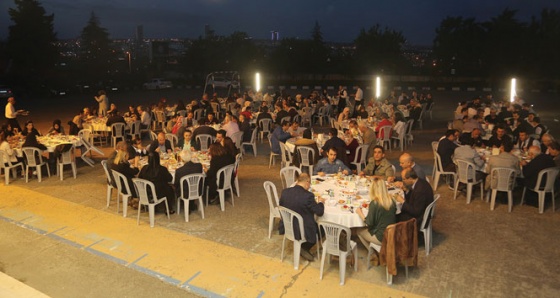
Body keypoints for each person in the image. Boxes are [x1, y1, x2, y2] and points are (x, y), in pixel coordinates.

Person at [279, 173, 325, 261]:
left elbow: (281, 207)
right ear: (307, 182)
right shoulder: (308, 196)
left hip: (288, 226)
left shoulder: (285, 191)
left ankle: (302, 247)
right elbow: (319, 212)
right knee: (322, 228)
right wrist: (320, 202)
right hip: (302, 229)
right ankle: (304, 247)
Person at [355, 178, 396, 247]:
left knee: (358, 231)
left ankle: (372, 252)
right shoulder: (392, 200)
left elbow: (368, 223)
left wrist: (360, 213)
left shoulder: (374, 203)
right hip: (392, 233)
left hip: (380, 236)